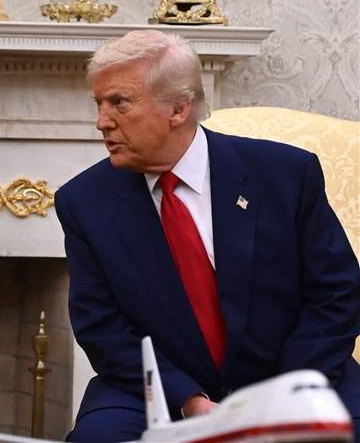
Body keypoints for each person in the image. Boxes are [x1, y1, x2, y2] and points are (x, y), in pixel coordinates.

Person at [54, 29, 360, 442]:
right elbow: (101, 327)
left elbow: (337, 294)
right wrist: (191, 401)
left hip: (290, 372)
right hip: (158, 389)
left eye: (119, 102)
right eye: (99, 103)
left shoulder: (285, 175)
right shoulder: (84, 202)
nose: (101, 121)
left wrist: (283, 397)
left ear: (178, 109)